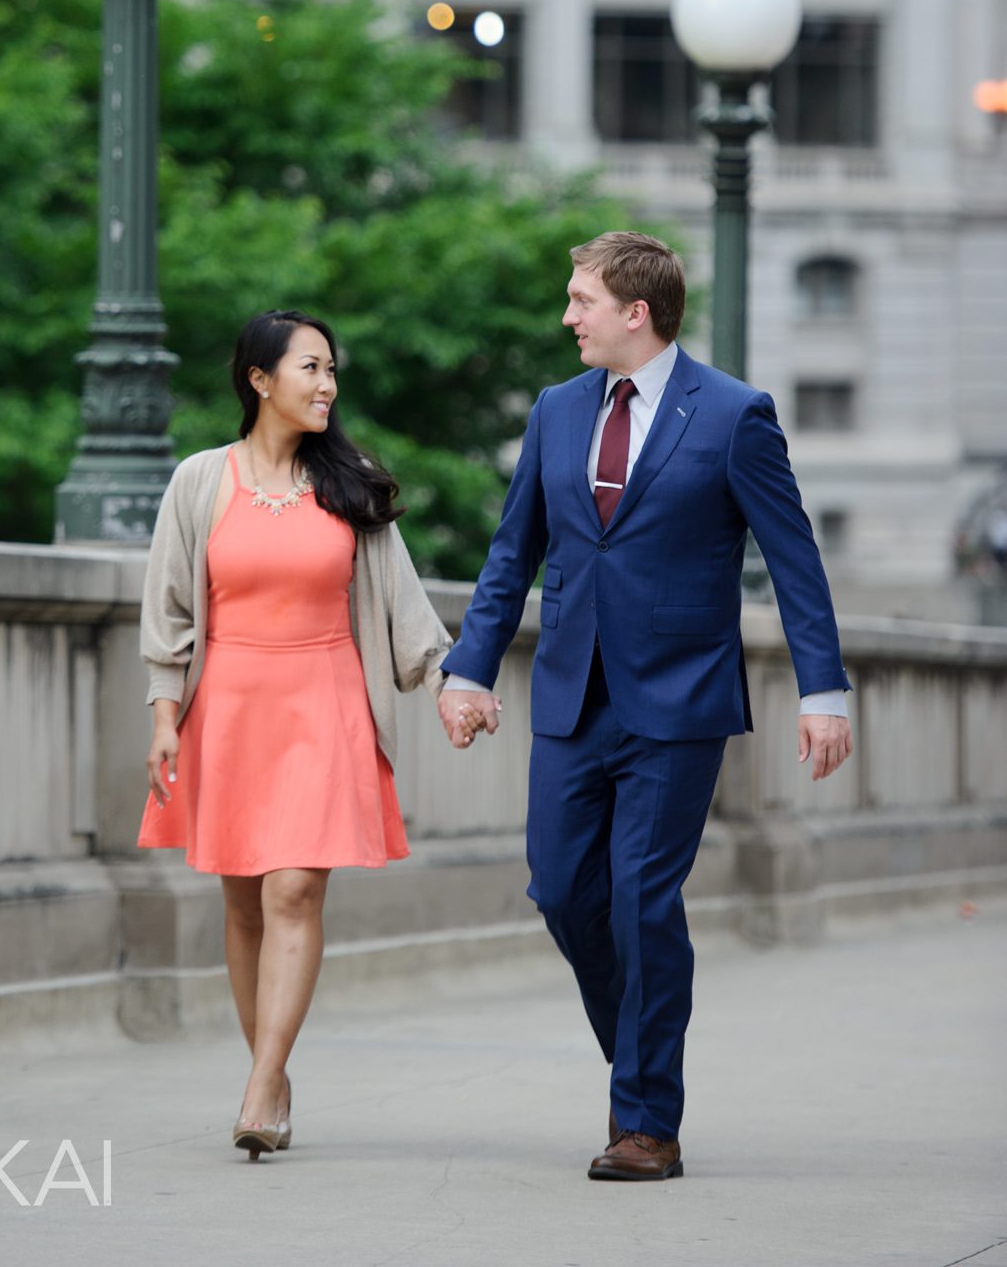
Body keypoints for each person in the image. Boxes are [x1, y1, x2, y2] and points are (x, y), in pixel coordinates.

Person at [440, 231, 853, 1182]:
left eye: (581, 299)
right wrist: (468, 670)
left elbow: (795, 562)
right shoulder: (554, 411)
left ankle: (644, 1122)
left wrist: (821, 690)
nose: (566, 316)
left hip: (678, 699)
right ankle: (641, 1062)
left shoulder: (735, 414)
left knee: (638, 897)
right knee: (559, 889)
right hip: (569, 696)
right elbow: (513, 554)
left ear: (637, 312)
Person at [138, 308, 453, 1160]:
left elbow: (402, 601)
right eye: (310, 368)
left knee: (292, 894)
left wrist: (446, 682)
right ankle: (271, 1075)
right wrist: (165, 717)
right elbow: (168, 607)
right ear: (259, 379)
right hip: (227, 707)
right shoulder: (200, 481)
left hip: (324, 701)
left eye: (331, 370)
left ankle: (257, 1085)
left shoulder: (349, 482)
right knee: (242, 903)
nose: (327, 385)